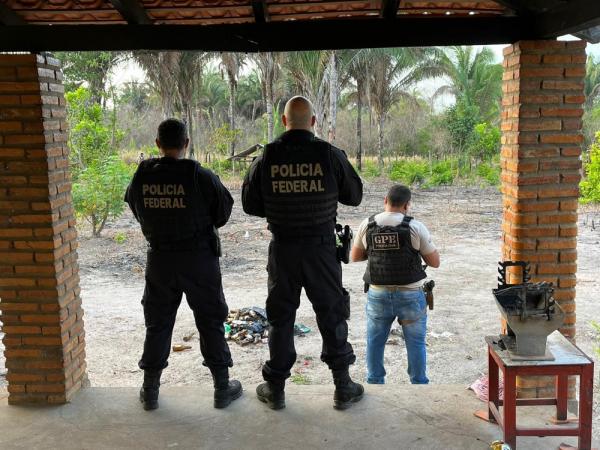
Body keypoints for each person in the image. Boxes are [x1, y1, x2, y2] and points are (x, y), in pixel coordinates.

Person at [242, 96, 364, 411]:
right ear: (313, 122)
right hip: (321, 250)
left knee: (281, 318)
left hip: (283, 249)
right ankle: (342, 387)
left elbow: (250, 205)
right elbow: (355, 196)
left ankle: (276, 388)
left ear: (284, 121)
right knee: (331, 312)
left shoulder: (266, 157)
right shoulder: (329, 155)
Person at [125, 118, 242, 411]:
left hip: (160, 259)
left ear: (157, 144)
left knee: (158, 323)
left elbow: (134, 206)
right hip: (199, 260)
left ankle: (150, 390)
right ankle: (221, 388)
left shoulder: (143, 175)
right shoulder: (199, 176)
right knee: (210, 321)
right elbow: (223, 213)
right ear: (186, 144)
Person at [350, 185, 440, 385]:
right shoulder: (416, 227)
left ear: (385, 200)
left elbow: (355, 256)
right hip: (411, 295)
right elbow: (435, 262)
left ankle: (375, 382)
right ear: (407, 205)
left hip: (378, 294)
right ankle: (419, 384)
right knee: (415, 343)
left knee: (375, 342)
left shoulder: (368, 224)